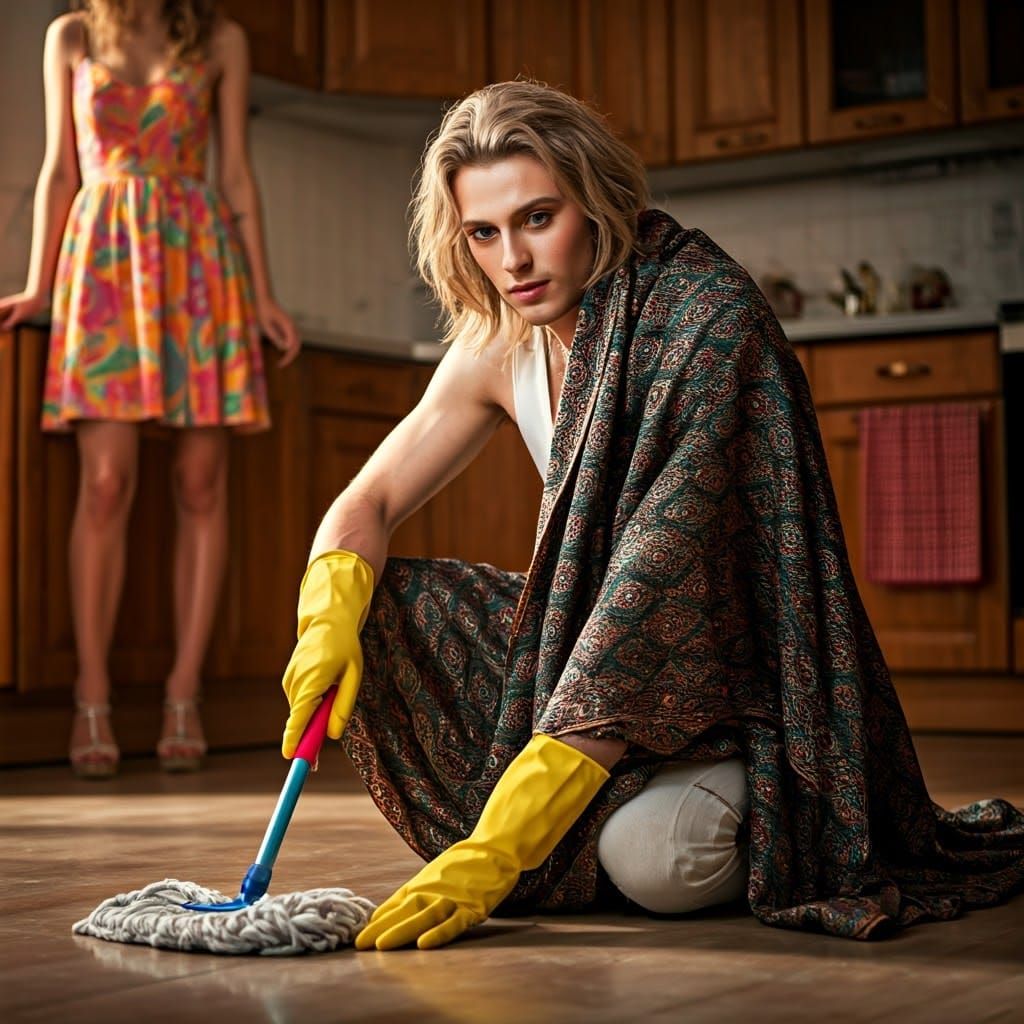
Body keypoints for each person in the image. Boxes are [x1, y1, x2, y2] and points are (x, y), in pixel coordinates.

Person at [279, 81, 1024, 950]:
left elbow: (649, 601)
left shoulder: (708, 325)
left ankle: (680, 817)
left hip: (737, 692)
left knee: (654, 867)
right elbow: (367, 500)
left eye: (537, 218)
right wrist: (327, 614)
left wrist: (498, 847)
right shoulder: (504, 339)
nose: (513, 259)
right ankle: (576, 814)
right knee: (375, 608)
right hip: (598, 671)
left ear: (595, 200)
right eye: (484, 232)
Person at [0, 0, 299, 778]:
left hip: (198, 260)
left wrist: (263, 295)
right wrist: (37, 289)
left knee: (201, 483)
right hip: (101, 261)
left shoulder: (220, 38)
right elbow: (61, 170)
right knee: (104, 483)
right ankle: (90, 697)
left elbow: (234, 172)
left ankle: (183, 695)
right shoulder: (69, 36)